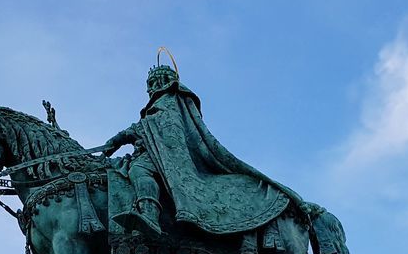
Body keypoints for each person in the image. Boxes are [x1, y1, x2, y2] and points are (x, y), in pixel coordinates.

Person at [103, 63, 301, 237]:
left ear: (165, 80)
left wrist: (118, 139)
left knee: (139, 169)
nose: (152, 88)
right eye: (150, 84)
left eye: (156, 82)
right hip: (156, 150)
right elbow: (150, 127)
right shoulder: (168, 101)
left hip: (168, 154)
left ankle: (149, 214)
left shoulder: (169, 99)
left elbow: (155, 125)